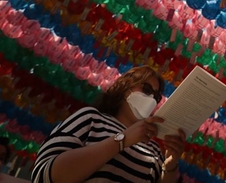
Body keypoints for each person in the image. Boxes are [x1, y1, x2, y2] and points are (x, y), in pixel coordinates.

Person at [32, 66, 186, 183]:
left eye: (156, 96)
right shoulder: (91, 118)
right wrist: (122, 140)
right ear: (125, 88)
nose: (151, 98)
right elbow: (44, 175)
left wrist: (170, 166)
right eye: (146, 89)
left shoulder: (153, 149)